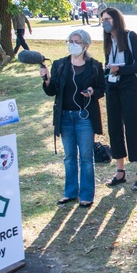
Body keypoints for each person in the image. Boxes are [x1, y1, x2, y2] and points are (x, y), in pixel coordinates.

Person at [40, 30, 105, 208]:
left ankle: (86, 195)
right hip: (65, 117)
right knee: (69, 157)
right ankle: (70, 192)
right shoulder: (60, 64)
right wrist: (46, 79)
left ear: (85, 45)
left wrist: (92, 92)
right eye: (70, 41)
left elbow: (102, 88)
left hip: (84, 117)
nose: (72, 44)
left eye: (76, 41)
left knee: (86, 156)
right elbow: (52, 90)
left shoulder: (94, 66)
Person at [101, 7, 137, 191]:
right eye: (102, 19)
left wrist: (119, 69)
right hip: (112, 87)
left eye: (108, 19)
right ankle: (119, 171)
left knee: (132, 127)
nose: (104, 22)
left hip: (129, 86)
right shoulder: (107, 40)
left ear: (116, 20)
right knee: (114, 128)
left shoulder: (130, 36)